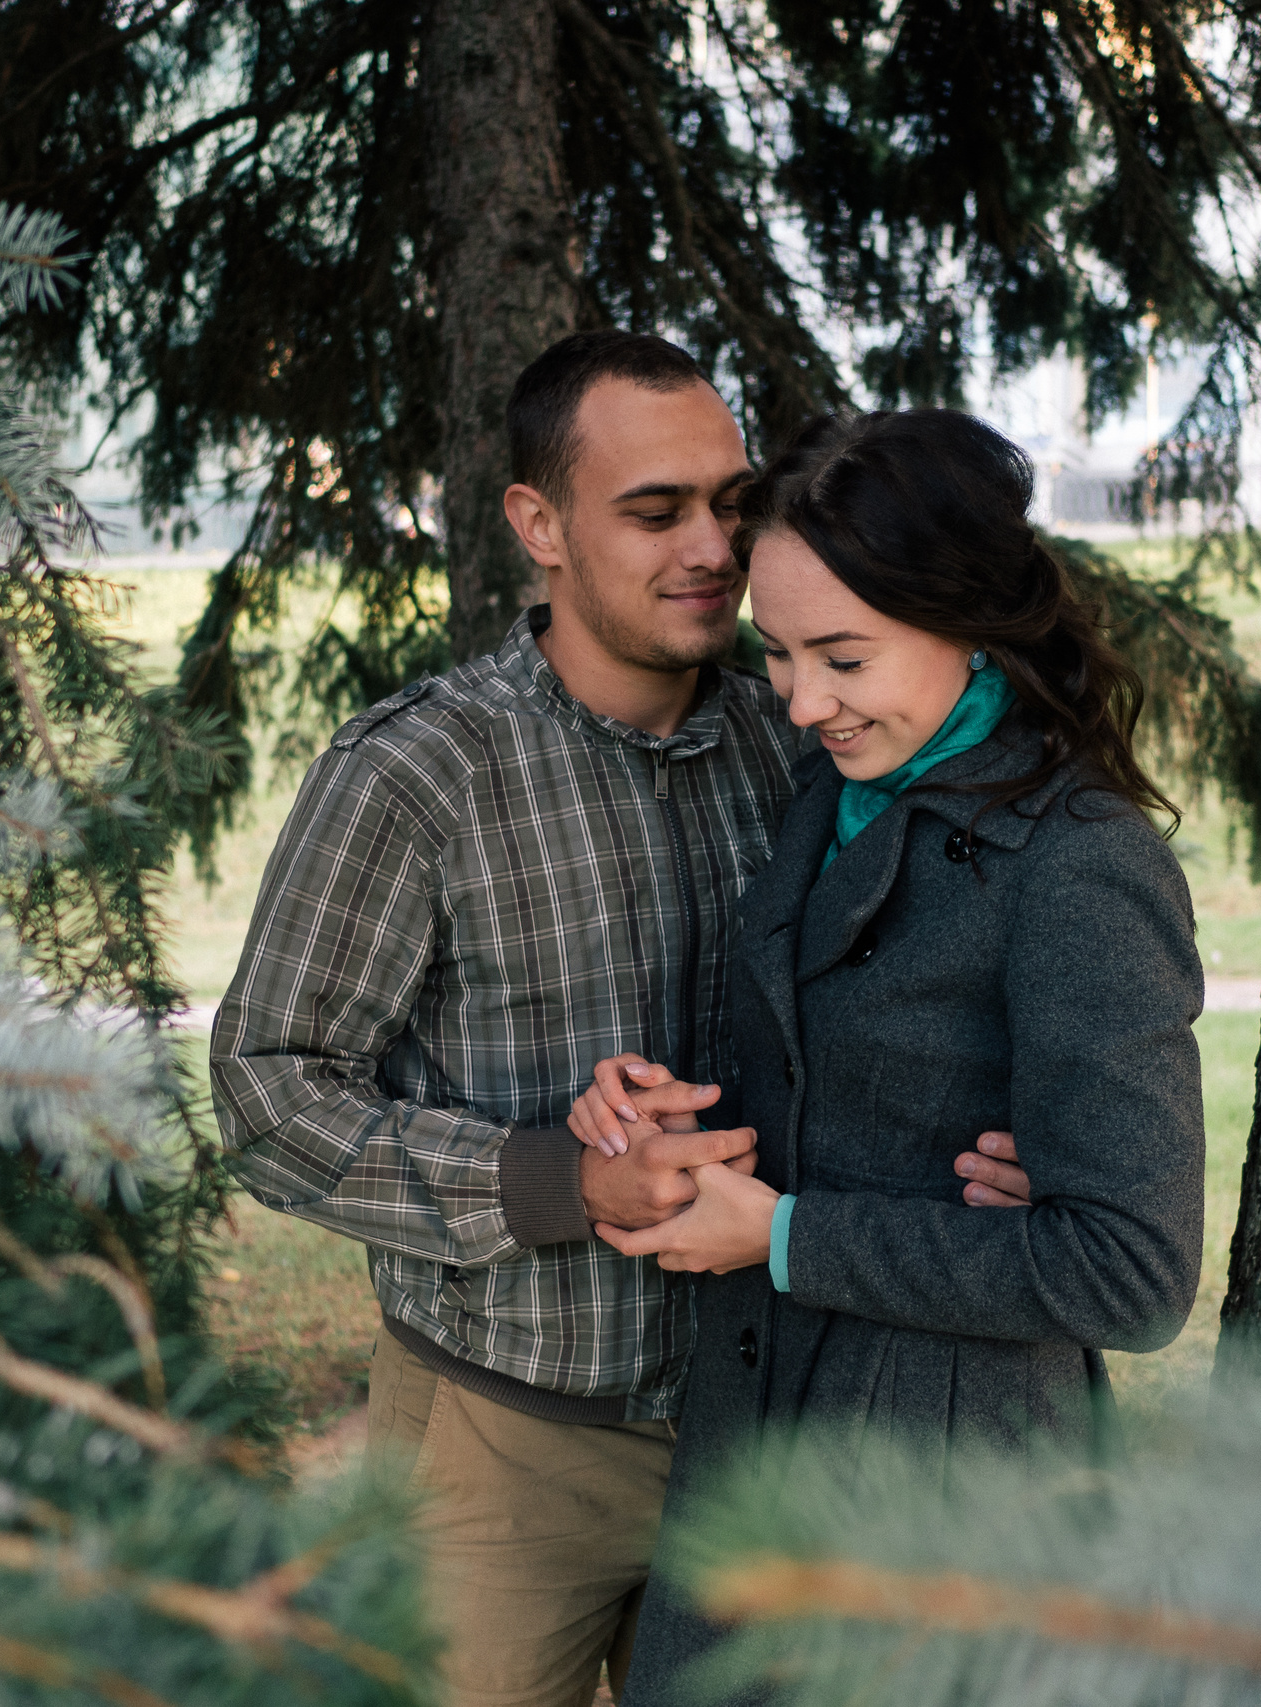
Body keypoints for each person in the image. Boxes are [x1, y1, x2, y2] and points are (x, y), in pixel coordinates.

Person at [209, 335, 1034, 1707]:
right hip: (501, 1448)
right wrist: (564, 1180)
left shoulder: (804, 738)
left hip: (769, 1430)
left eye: (730, 503)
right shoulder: (416, 773)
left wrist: (1013, 1151)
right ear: (538, 524)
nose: (712, 548)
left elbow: (935, 982)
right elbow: (267, 1091)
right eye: (656, 512)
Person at [563, 409, 1208, 1702]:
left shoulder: (1080, 864)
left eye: (844, 657)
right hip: (755, 1445)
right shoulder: (835, 791)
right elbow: (833, 1073)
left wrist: (783, 1235)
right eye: (779, 654)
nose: (803, 703)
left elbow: (1132, 1274)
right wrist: (654, 1111)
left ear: (969, 621)